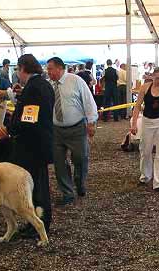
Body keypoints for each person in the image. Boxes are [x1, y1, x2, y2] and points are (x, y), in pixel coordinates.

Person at [0, 53, 54, 239]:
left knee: (36, 187)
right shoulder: (41, 85)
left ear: (23, 68)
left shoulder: (34, 88)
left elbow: (29, 118)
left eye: (18, 69)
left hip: (31, 146)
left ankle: (39, 223)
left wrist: (8, 129)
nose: (17, 73)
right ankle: (36, 221)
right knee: (37, 184)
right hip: (39, 144)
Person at [47, 57, 98, 206]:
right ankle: (67, 193)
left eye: (50, 69)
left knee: (81, 158)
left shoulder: (75, 81)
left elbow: (88, 101)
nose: (48, 72)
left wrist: (91, 122)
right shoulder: (49, 85)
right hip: (56, 130)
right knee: (59, 163)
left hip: (77, 128)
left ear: (59, 68)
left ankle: (79, 181)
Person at [130, 67, 159, 193]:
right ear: (152, 77)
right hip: (147, 121)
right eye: (157, 78)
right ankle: (145, 176)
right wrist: (134, 124)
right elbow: (137, 107)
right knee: (145, 151)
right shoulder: (144, 88)